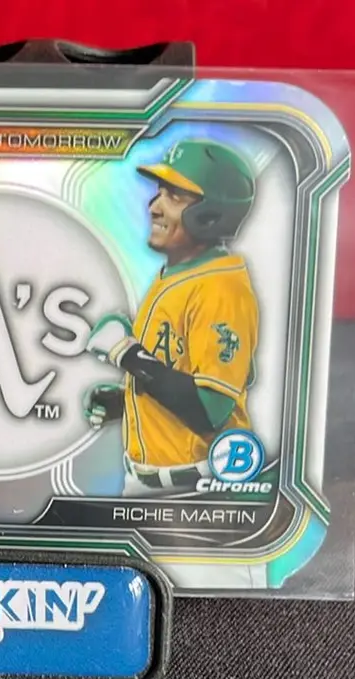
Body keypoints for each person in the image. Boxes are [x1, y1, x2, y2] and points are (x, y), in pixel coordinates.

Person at [84, 139, 259, 497]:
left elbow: (210, 409)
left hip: (200, 489)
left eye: (175, 197)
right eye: (159, 193)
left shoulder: (221, 288)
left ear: (211, 214)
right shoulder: (179, 274)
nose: (154, 207)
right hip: (147, 481)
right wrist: (128, 401)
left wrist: (127, 354)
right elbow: (180, 373)